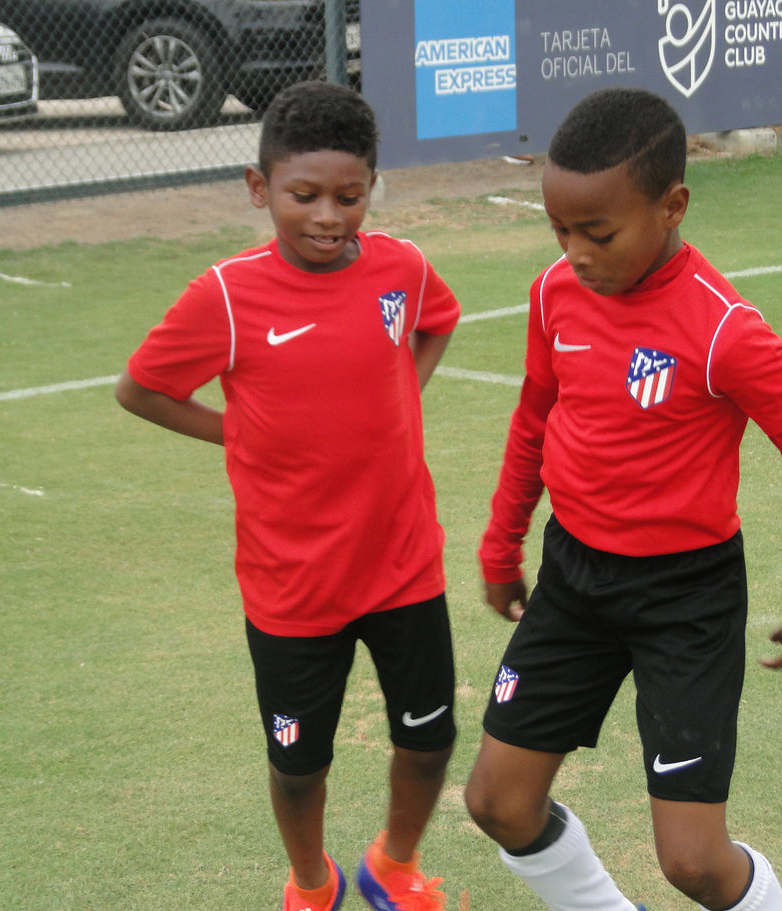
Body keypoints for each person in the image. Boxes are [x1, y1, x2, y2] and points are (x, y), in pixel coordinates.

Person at [463, 87, 782, 911]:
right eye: (560, 230)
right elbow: (536, 417)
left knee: (692, 862)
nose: (574, 252)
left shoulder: (724, 331)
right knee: (497, 803)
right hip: (573, 579)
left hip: (686, 597)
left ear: (672, 205)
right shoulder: (554, 295)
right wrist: (502, 543)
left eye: (597, 232)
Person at [115, 81, 459, 911]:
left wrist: (402, 399)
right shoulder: (227, 296)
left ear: (372, 183)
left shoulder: (401, 268)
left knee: (430, 735)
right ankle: (312, 882)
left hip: (405, 562)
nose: (329, 216)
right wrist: (237, 434)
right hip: (293, 582)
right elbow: (141, 388)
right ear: (259, 187)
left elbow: (438, 319)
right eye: (304, 196)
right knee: (301, 761)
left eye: (351, 195)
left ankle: (395, 862)